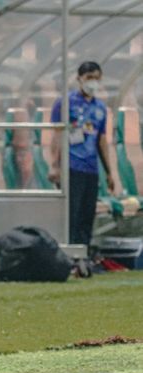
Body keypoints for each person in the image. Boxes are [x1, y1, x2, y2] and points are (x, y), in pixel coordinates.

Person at [49, 61, 114, 246]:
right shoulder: (65, 103)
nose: (93, 82)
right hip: (71, 166)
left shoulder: (100, 108)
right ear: (79, 79)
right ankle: (70, 252)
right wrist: (54, 165)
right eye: (89, 78)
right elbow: (57, 135)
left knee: (87, 213)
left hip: (91, 168)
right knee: (72, 214)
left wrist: (109, 172)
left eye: (96, 78)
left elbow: (102, 140)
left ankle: (84, 254)